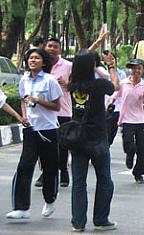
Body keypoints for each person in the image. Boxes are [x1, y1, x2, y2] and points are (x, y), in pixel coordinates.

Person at [7, 48, 62, 220]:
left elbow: (57, 106)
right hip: (31, 129)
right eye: (30, 58)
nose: (33, 60)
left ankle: (50, 199)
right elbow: (24, 100)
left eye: (37, 58)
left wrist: (39, 101)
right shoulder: (24, 80)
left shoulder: (50, 81)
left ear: (43, 62)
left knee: (49, 167)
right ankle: (21, 208)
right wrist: (24, 115)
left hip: (48, 130)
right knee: (24, 166)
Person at [67, 50, 119, 232]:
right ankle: (101, 219)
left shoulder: (72, 85)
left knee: (79, 182)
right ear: (92, 66)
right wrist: (110, 66)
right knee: (105, 180)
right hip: (97, 138)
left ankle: (78, 222)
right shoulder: (99, 85)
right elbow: (115, 86)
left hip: (78, 140)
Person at [35, 37, 73, 188]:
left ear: (60, 50)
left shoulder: (68, 66)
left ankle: (63, 171)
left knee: (62, 145)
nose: (51, 49)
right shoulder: (40, 65)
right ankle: (46, 173)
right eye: (49, 46)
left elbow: (77, 85)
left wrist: (66, 84)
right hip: (44, 112)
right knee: (46, 145)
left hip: (63, 111)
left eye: (55, 47)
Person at [111, 58, 144, 184]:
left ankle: (138, 173)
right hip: (126, 119)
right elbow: (114, 95)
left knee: (143, 149)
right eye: (134, 68)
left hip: (140, 120)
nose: (136, 71)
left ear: (143, 70)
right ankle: (130, 155)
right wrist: (109, 103)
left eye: (139, 68)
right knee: (128, 144)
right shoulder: (124, 83)